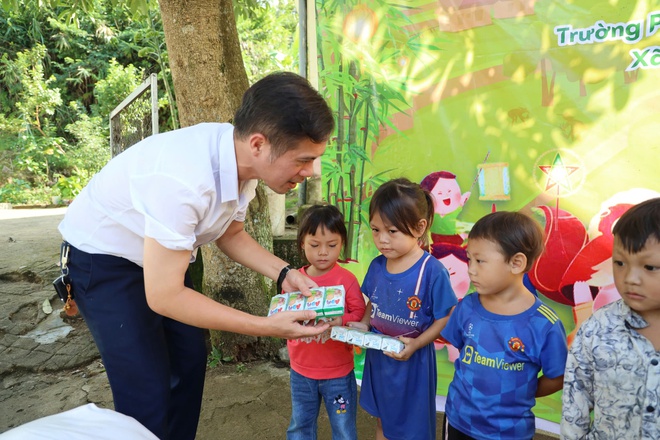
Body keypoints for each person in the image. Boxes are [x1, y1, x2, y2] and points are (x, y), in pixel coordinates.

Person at [57, 71, 335, 440]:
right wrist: (266, 326)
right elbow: (165, 295)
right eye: (304, 159)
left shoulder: (243, 163)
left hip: (162, 257)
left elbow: (230, 233)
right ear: (258, 144)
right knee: (147, 388)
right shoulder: (184, 180)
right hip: (104, 260)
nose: (311, 171)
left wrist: (284, 273)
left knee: (188, 363)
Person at [441, 211, 567, 440]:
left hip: (509, 433)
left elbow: (557, 376)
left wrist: (523, 391)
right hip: (458, 421)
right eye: (469, 259)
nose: (470, 269)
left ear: (516, 263)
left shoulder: (544, 324)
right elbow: (462, 352)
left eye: (480, 261)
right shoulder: (467, 307)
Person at [353, 177, 458, 440]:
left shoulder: (433, 271)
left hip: (412, 362)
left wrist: (415, 344)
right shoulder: (377, 265)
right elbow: (373, 302)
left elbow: (444, 317)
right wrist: (365, 325)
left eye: (392, 231)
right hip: (379, 357)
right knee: (383, 421)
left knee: (411, 428)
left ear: (420, 227)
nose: (382, 240)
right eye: (376, 230)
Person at [561, 197, 660, 439]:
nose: (630, 278)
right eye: (620, 263)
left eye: (649, 267)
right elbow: (576, 399)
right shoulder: (597, 328)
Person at [285, 204, 366, 440]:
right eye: (314, 245)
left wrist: (341, 319)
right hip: (300, 372)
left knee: (343, 428)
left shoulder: (347, 279)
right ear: (302, 243)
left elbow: (359, 313)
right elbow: (284, 316)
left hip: (338, 373)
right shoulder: (293, 281)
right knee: (300, 426)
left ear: (342, 244)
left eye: (332, 245)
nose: (323, 252)